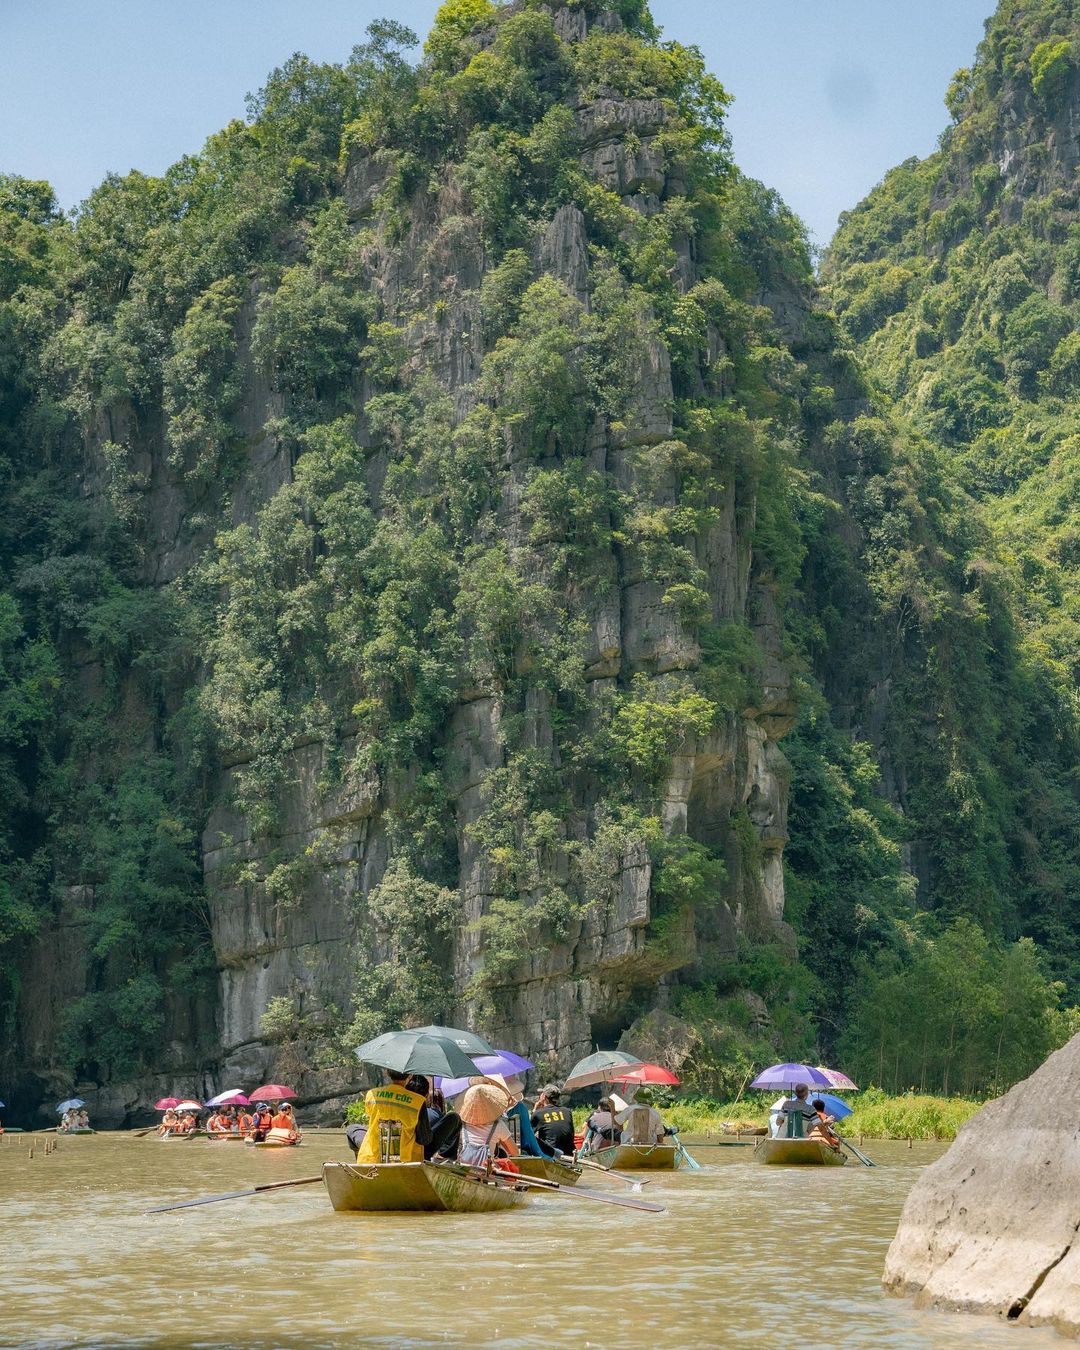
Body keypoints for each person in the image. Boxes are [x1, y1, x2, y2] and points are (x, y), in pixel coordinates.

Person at [353, 1071, 429, 1164]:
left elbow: (370, 1118)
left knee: (352, 1129)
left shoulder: (371, 1094)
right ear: (410, 1076)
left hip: (370, 1159)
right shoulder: (418, 1101)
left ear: (387, 1073)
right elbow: (424, 1139)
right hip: (406, 1162)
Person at [406, 1076, 462, 1162]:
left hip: (403, 1147)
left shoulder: (402, 1104)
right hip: (420, 1151)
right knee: (454, 1117)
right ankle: (446, 1156)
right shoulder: (421, 1105)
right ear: (426, 1095)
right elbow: (425, 1139)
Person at [529, 1084, 576, 1157]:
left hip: (551, 1154)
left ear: (544, 1096)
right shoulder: (567, 1111)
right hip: (569, 1153)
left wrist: (534, 1110)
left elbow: (528, 1133)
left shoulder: (538, 1113)